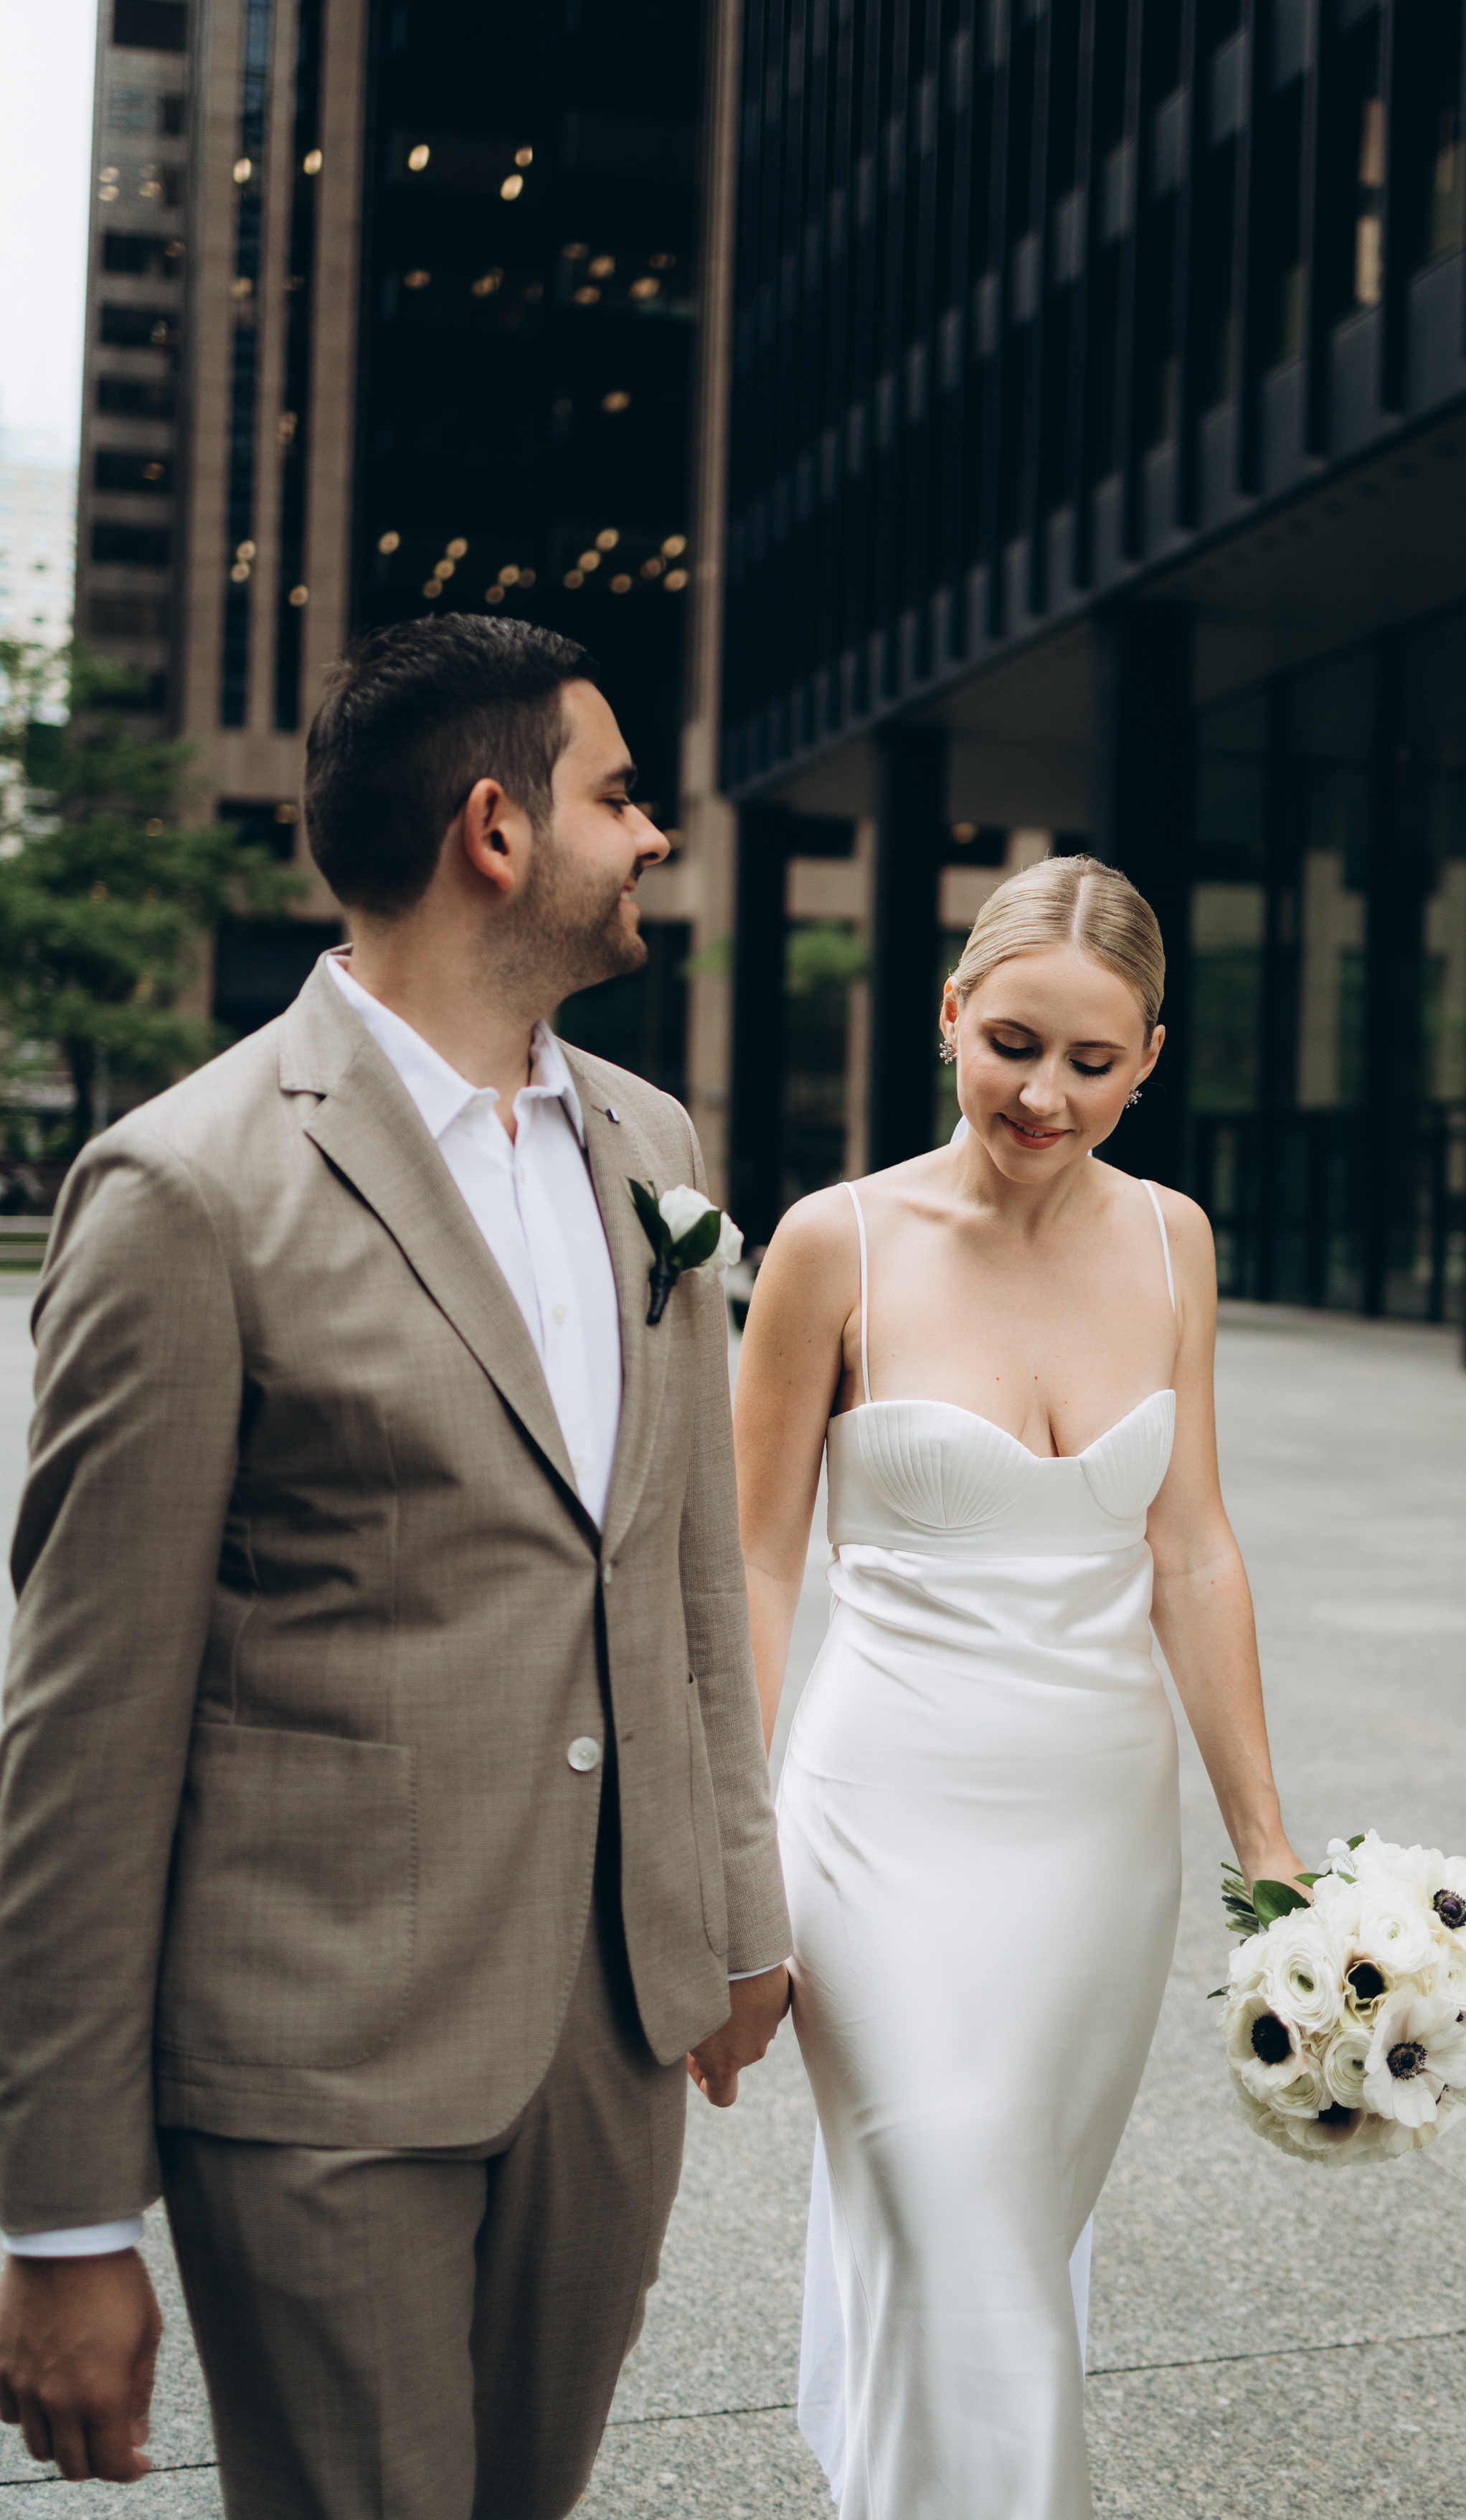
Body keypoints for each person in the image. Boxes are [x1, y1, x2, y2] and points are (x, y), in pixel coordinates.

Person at [0, 615, 792, 2516]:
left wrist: (736, 1910)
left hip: (609, 2048)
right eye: (622, 794)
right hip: (318, 2087)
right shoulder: (186, 1191)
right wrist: (59, 2219)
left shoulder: (653, 1147)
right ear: (497, 832)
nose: (657, 836)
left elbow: (680, 1575)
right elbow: (85, 1746)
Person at [735, 854, 1307, 2519]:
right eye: (1008, 1044)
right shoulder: (830, 1247)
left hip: (1094, 1846)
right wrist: (726, 1867)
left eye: (1088, 1060)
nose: (1040, 1094)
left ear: (1147, 1062)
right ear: (945, 1021)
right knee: (958, 2208)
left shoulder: (1173, 1243)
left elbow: (1191, 1551)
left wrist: (1266, 1844)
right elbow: (755, 1564)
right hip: (877, 1828)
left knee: (1001, 2242)